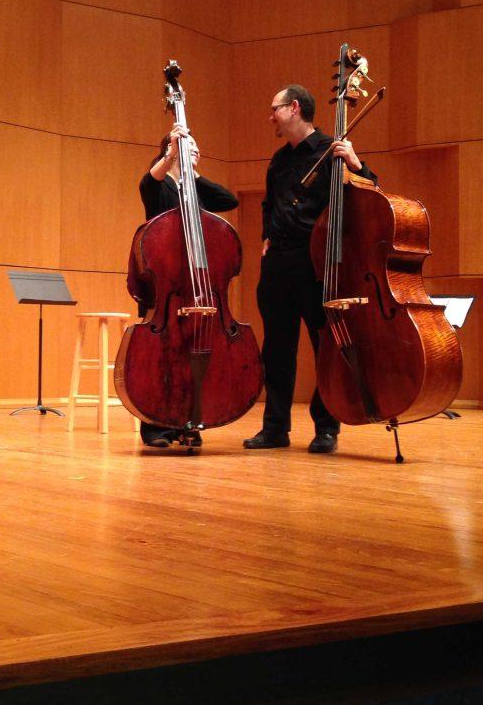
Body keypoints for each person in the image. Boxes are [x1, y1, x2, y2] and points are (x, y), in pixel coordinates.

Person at [243, 85, 376, 454]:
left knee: (325, 349)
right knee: (277, 351)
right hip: (278, 264)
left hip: (317, 262)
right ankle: (275, 429)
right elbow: (269, 205)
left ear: (294, 108)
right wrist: (266, 237)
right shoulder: (279, 160)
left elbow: (370, 192)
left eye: (275, 109)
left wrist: (356, 164)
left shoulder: (332, 150)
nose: (270, 116)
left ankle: (327, 427)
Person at [134, 123, 239, 448]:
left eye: (196, 145)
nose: (195, 149)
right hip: (166, 286)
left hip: (197, 289)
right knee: (161, 358)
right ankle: (154, 427)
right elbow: (146, 184)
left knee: (193, 355)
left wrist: (192, 177)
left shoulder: (196, 190)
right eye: (188, 144)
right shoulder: (160, 184)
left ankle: (189, 420)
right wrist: (169, 159)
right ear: (171, 148)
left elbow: (229, 200)